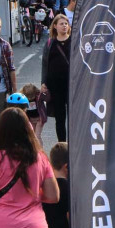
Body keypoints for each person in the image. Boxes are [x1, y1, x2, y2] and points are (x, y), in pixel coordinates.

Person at [41, 14, 71, 142]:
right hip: (55, 86)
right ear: (55, 26)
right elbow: (45, 63)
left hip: (72, 85)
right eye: (61, 24)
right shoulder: (50, 43)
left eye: (66, 23)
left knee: (74, 117)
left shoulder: (74, 41)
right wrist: (43, 82)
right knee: (60, 118)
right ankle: (62, 144)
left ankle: (75, 145)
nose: (64, 26)